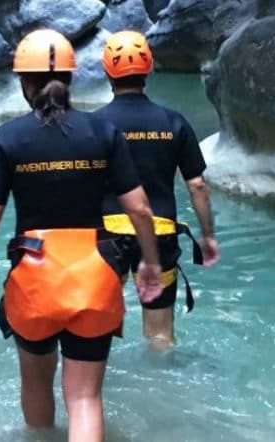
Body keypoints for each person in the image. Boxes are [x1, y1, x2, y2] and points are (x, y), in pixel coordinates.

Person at [0, 28, 164, 442]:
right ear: (71, 78)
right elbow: (140, 208)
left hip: (34, 280)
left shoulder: (7, 139)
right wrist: (150, 262)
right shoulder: (103, 133)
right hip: (94, 279)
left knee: (36, 385)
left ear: (23, 82)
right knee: (84, 398)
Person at [94, 30, 219, 348]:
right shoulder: (173, 121)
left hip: (106, 235)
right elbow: (197, 185)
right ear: (149, 68)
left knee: (96, 328)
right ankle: (162, 375)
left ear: (107, 72)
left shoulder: (93, 126)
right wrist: (208, 236)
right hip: (158, 232)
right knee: (160, 333)